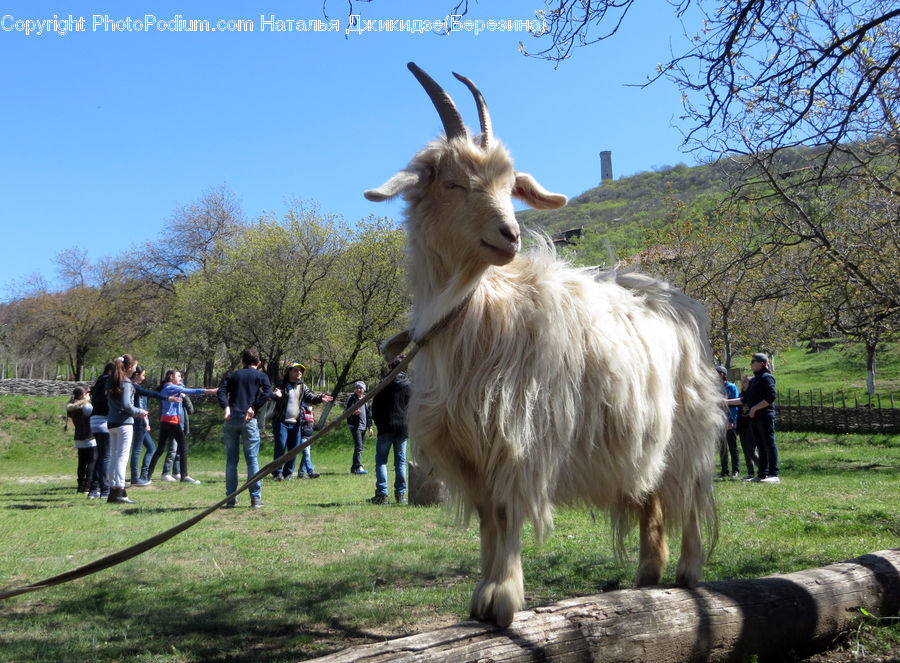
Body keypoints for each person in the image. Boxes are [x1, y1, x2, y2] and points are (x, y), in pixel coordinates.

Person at [217, 349, 273, 508]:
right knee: (252, 460)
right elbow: (267, 392)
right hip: (249, 419)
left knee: (231, 460)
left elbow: (220, 391)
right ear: (259, 363)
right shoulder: (261, 376)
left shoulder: (234, 375)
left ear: (242, 361)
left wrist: (226, 407)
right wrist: (254, 407)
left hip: (231, 418)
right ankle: (255, 498)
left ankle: (231, 498)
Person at [147, 369, 216, 485]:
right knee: (183, 447)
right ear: (171, 377)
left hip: (165, 421)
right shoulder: (170, 387)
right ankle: (184, 475)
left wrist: (179, 385)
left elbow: (182, 391)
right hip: (172, 421)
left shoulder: (168, 386)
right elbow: (191, 391)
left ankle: (147, 476)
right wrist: (210, 391)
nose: (180, 378)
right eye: (178, 376)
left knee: (160, 449)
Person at [270, 361, 332, 480]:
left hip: (296, 423)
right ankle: (277, 473)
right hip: (281, 422)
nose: (299, 373)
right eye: (296, 370)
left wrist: (320, 398)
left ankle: (288, 473)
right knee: (281, 446)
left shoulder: (302, 386)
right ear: (289, 372)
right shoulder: (281, 384)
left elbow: (310, 397)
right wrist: (275, 395)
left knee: (294, 449)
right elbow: (275, 396)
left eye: (300, 371)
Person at [726, 353, 779, 483]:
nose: (751, 364)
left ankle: (773, 474)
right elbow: (745, 399)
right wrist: (726, 401)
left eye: (753, 361)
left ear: (761, 363)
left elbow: (770, 397)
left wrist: (755, 408)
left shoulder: (767, 378)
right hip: (754, 418)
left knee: (769, 444)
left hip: (764, 417)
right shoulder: (754, 380)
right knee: (760, 446)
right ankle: (762, 474)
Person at [369, 356, 412, 504]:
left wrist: (378, 423)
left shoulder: (384, 384)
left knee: (381, 461)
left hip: (386, 427)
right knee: (400, 462)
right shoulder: (409, 385)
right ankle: (400, 495)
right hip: (403, 428)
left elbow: (375, 407)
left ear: (390, 368)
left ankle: (382, 495)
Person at [106, 354, 147, 504]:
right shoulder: (127, 383)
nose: (136, 369)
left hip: (112, 423)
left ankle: (112, 490)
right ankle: (120, 491)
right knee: (121, 458)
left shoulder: (112, 381)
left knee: (114, 457)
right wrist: (139, 411)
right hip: (124, 424)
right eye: (135, 366)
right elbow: (127, 406)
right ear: (129, 367)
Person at [129, 365, 176, 487]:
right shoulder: (133, 387)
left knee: (151, 448)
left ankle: (144, 475)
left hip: (142, 422)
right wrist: (167, 398)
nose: (144, 378)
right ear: (136, 375)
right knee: (137, 449)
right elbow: (149, 395)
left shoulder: (135, 387)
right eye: (143, 375)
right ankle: (135, 478)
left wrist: (147, 422)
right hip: (138, 421)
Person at [87, 362, 114, 500]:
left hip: (94, 421)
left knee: (100, 456)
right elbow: (107, 402)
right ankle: (105, 489)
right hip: (104, 421)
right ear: (110, 371)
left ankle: (93, 489)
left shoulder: (98, 382)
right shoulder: (108, 383)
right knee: (105, 457)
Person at [66, 386, 96, 494]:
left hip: (78, 437)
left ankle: (80, 486)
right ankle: (88, 485)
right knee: (92, 460)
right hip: (90, 436)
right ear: (83, 395)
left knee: (82, 462)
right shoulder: (86, 406)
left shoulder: (72, 408)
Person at [716, 366, 740, 479]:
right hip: (719, 421)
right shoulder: (715, 388)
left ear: (722, 374)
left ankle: (736, 470)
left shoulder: (731, 387)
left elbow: (734, 406)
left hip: (730, 420)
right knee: (722, 447)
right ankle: (724, 470)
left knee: (732, 446)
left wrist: (731, 421)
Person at [346, 381, 374, 474]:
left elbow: (368, 414)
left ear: (364, 389)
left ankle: (354, 468)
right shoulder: (351, 399)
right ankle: (358, 467)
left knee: (360, 447)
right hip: (355, 426)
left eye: (361, 388)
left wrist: (370, 427)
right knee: (358, 447)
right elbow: (346, 412)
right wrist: (353, 412)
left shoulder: (365, 399)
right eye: (357, 388)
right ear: (354, 389)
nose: (359, 389)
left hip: (364, 427)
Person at [735, 374, 759, 480]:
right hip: (742, 428)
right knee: (745, 451)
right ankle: (751, 473)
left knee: (752, 451)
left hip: (751, 427)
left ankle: (764, 469)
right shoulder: (740, 396)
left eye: (746, 382)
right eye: (743, 382)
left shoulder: (753, 396)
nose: (743, 384)